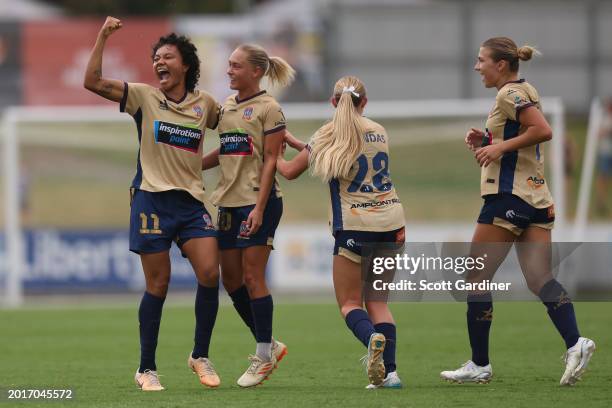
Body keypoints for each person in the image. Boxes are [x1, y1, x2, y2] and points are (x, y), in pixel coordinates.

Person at [439, 37, 595, 386]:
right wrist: (489, 142)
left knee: (475, 278)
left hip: (508, 198)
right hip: (537, 198)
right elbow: (525, 136)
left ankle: (479, 364)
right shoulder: (525, 89)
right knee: (540, 280)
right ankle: (576, 342)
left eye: (481, 60)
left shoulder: (508, 94)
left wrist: (498, 149)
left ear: (501, 65)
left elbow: (543, 130)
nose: (477, 66)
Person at [84, 17, 222, 391]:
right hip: (151, 201)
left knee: (210, 273)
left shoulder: (206, 105)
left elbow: (237, 133)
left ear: (186, 65)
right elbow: (92, 82)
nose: (159, 62)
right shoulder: (144, 95)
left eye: (167, 56)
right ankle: (146, 368)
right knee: (157, 284)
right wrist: (103, 36)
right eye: (156, 57)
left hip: (191, 203)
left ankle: (200, 355)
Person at [277, 76, 405, 389]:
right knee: (378, 302)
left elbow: (291, 171)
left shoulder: (328, 132)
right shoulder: (379, 130)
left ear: (334, 102)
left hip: (355, 227)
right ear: (365, 101)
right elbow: (340, 149)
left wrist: (273, 156)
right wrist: (302, 145)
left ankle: (372, 339)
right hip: (392, 223)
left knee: (350, 304)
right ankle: (390, 374)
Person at [201, 43, 294, 387]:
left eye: (236, 66)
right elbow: (227, 148)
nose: (229, 70)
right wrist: (192, 166)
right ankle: (269, 343)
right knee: (232, 281)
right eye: (228, 65)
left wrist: (258, 207)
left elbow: (271, 160)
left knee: (254, 278)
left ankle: (264, 357)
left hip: (259, 203)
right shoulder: (227, 107)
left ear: (256, 72)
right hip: (227, 203)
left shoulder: (270, 109)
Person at [595, 98, 612, 215]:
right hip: (605, 152)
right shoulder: (604, 118)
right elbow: (598, 133)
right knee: (603, 178)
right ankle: (600, 202)